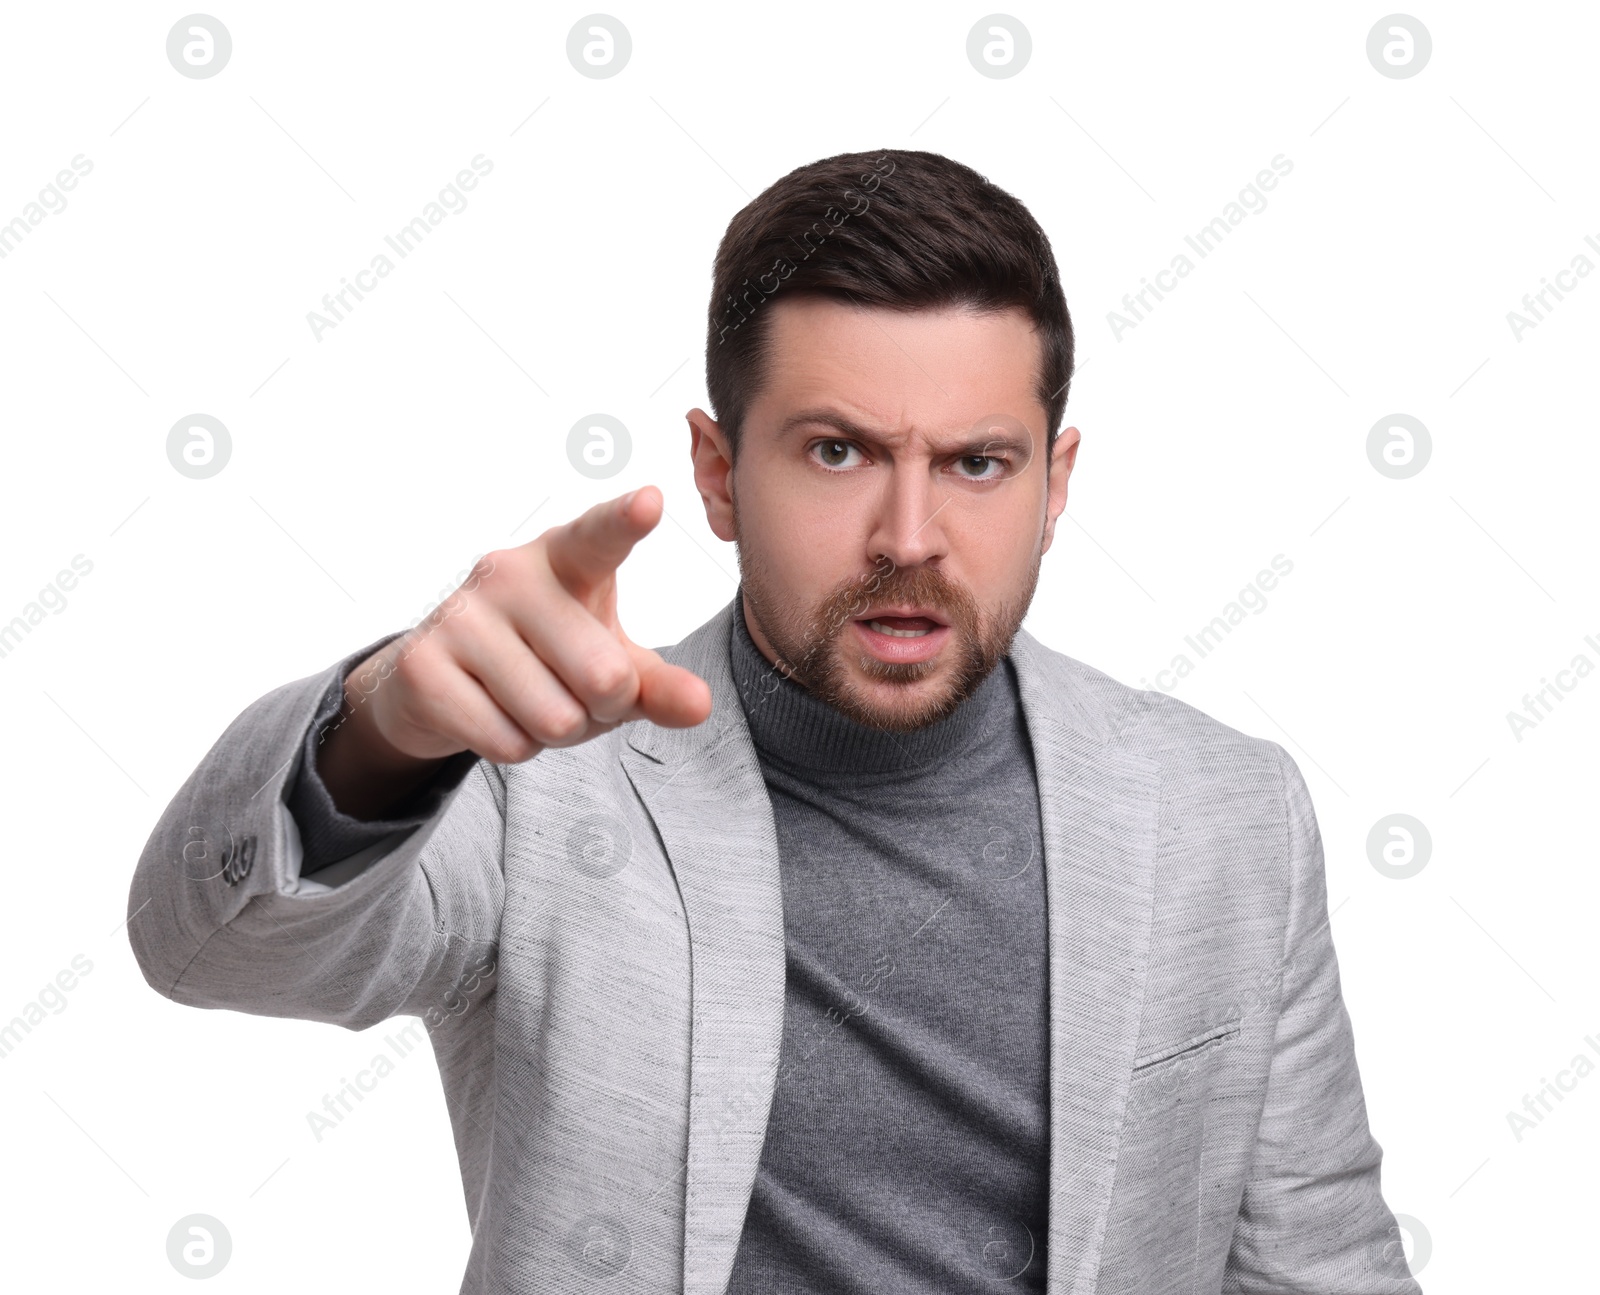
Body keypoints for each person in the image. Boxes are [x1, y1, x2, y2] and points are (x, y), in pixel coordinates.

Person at [127, 148, 1421, 1294]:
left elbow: (1317, 1262)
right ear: (717, 473)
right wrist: (385, 727)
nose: (909, 540)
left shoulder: (1227, 815)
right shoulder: (540, 787)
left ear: (1053, 480)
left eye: (976, 464)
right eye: (838, 452)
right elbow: (205, 949)